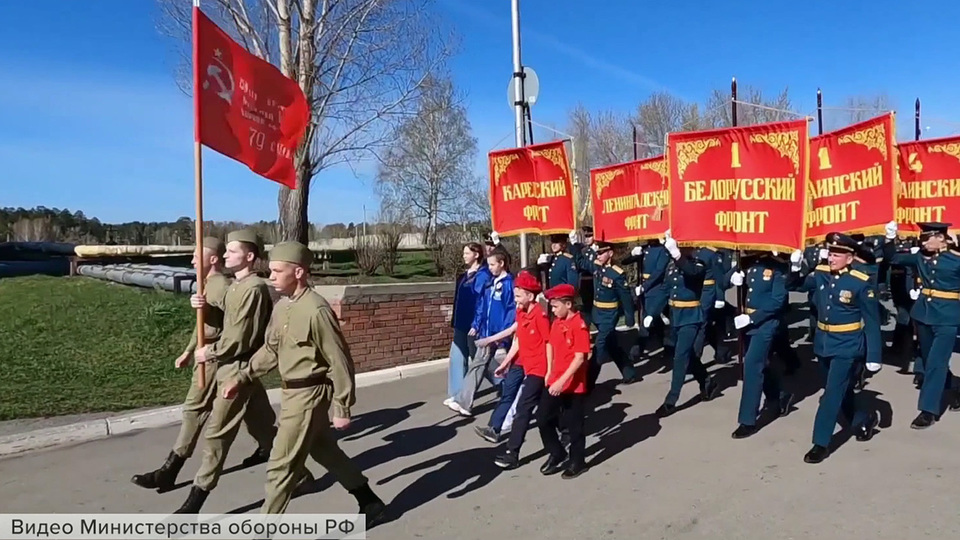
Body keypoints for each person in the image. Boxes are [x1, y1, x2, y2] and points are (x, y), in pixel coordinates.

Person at [221, 241, 386, 526]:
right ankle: (369, 501)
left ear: (298, 272)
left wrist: (342, 406)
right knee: (324, 450)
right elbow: (271, 350)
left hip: (310, 394)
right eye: (270, 271)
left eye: (277, 271)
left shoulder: (316, 310)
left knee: (280, 465)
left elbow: (340, 360)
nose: (270, 276)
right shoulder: (282, 307)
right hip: (292, 393)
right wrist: (242, 376)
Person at [131, 237, 269, 492]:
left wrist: (208, 340)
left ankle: (170, 470)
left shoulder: (219, 285)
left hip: (219, 358)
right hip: (217, 356)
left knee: (197, 410)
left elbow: (233, 316)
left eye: (197, 255)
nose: (193, 260)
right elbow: (202, 326)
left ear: (212, 259)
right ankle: (272, 449)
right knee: (256, 415)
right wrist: (189, 349)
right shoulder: (210, 283)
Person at [174, 229, 284, 513]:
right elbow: (223, 314)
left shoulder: (253, 289)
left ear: (249, 257)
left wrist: (208, 352)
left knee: (217, 435)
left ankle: (194, 503)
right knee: (263, 427)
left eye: (231, 252)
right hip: (230, 366)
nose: (224, 256)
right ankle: (303, 478)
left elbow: (238, 337)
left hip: (237, 368)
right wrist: (203, 305)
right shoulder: (235, 286)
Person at [791, 233, 881, 463]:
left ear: (849, 258)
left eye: (837, 255)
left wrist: (874, 355)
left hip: (848, 345)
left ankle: (820, 443)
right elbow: (796, 286)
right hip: (823, 342)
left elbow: (871, 321)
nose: (831, 258)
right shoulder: (821, 275)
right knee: (841, 390)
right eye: (830, 253)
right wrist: (795, 267)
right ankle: (862, 419)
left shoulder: (860, 283)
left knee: (831, 394)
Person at [883, 221, 960, 428]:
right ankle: (956, 386)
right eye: (922, 237)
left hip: (947, 317)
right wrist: (890, 239)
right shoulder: (920, 257)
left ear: (942, 238)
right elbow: (894, 258)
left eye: (927, 237)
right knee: (927, 360)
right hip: (924, 314)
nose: (923, 240)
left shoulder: (956, 260)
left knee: (936, 363)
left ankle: (928, 411)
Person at [481, 270, 549, 469]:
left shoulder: (540, 315)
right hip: (524, 363)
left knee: (524, 409)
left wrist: (551, 371)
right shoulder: (521, 311)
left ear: (530, 295)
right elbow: (518, 340)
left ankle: (512, 452)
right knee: (541, 409)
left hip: (539, 367)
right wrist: (505, 362)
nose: (515, 299)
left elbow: (548, 344)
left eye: (518, 295)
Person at [727, 250, 797, 439]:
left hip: (765, 324)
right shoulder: (746, 262)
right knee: (761, 365)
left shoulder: (777, 266)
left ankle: (747, 420)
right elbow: (722, 280)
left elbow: (777, 301)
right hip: (746, 322)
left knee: (751, 366)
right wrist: (732, 278)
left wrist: (752, 318)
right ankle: (777, 397)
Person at [656, 232, 719, 417]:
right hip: (676, 316)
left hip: (691, 317)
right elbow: (665, 289)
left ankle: (671, 400)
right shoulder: (672, 266)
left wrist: (677, 255)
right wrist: (653, 312)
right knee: (689, 355)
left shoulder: (698, 263)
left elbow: (692, 272)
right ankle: (707, 381)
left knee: (680, 357)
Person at [448, 248, 516, 418]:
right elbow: (481, 306)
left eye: (493, 264)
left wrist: (503, 335)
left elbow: (510, 312)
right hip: (486, 331)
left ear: (501, 264)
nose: (490, 268)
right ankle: (465, 401)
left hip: (499, 333)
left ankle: (510, 391)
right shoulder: (490, 284)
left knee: (488, 364)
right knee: (479, 363)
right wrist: (476, 324)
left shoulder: (509, 284)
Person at [538, 283, 591, 479]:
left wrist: (562, 381)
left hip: (572, 384)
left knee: (574, 425)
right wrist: (550, 372)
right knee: (543, 418)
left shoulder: (579, 325)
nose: (552, 310)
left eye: (555, 306)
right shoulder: (557, 322)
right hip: (555, 379)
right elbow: (550, 344)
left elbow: (579, 358)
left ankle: (578, 461)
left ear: (568, 304)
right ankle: (557, 451)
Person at [572, 240, 638, 388]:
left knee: (599, 348)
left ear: (610, 253)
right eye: (598, 252)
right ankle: (629, 373)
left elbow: (625, 297)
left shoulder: (617, 274)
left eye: (602, 252)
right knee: (611, 344)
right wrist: (575, 245)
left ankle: (588, 383)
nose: (599, 255)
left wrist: (629, 316)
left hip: (609, 315)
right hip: (597, 313)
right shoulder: (597, 267)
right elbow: (580, 262)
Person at [445, 242, 492, 407]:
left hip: (474, 323)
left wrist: (477, 323)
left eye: (467, 253)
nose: (464, 256)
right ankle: (457, 393)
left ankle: (503, 382)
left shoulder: (483, 275)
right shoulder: (463, 276)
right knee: (457, 356)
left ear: (476, 255)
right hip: (461, 321)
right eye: (463, 253)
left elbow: (480, 301)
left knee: (479, 359)